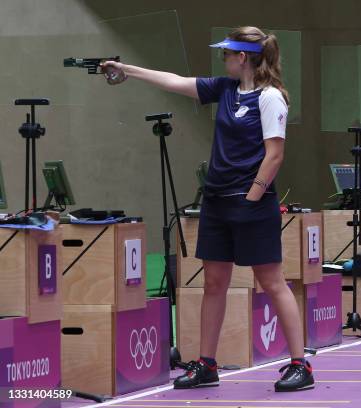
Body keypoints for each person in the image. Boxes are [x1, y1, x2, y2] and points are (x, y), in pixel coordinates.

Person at [101, 26, 314, 392]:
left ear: (242, 58)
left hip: (253, 203)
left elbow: (275, 155)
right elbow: (174, 81)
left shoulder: (271, 97)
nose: (223, 58)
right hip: (216, 201)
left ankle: (301, 365)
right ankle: (206, 364)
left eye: (228, 53)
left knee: (272, 282)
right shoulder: (224, 89)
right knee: (214, 282)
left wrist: (251, 198)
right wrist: (128, 70)